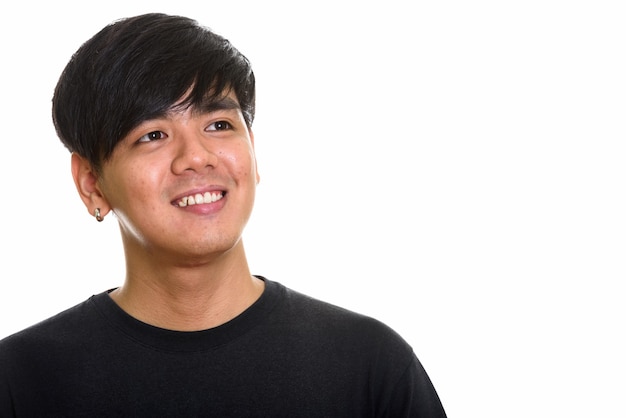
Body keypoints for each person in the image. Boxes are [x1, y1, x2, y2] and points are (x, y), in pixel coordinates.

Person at [0, 13, 446, 417]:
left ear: (252, 151)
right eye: (152, 134)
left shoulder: (371, 367)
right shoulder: (20, 381)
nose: (196, 157)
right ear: (91, 183)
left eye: (218, 125)